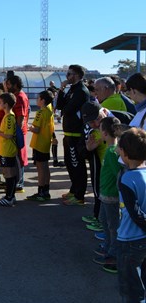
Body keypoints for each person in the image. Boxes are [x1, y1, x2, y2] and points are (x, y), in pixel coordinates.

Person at [116, 127, 146, 303]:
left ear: (125, 154)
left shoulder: (127, 178)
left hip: (129, 240)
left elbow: (135, 214)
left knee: (131, 293)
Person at [56, 64, 90, 206]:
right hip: (68, 133)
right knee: (70, 164)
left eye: (69, 74)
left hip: (76, 134)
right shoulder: (72, 89)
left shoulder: (81, 91)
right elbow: (59, 106)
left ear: (76, 75)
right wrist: (62, 89)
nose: (67, 76)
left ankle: (79, 195)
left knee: (77, 165)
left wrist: (64, 107)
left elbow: (68, 110)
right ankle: (74, 189)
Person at [94, 116, 123, 274]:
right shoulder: (111, 150)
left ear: (104, 133)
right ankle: (107, 247)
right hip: (105, 194)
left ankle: (113, 254)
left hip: (111, 196)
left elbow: (117, 174)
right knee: (105, 221)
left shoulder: (112, 152)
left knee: (112, 226)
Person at [26, 90, 55, 201]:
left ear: (42, 100)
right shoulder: (49, 110)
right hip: (46, 142)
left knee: (40, 168)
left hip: (39, 143)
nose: (36, 100)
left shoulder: (40, 112)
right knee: (45, 167)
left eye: (38, 98)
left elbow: (36, 129)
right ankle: (46, 190)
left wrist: (29, 127)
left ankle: (41, 192)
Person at [0, 92, 19, 207]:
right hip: (5, 149)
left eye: (1, 102)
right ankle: (10, 195)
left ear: (6, 104)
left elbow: (8, 135)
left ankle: (9, 197)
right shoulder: (7, 116)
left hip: (7, 150)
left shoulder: (9, 117)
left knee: (8, 173)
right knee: (9, 173)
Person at [6, 75, 29, 192]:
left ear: (15, 85)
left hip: (18, 133)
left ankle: (19, 183)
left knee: (18, 158)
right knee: (16, 158)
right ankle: (15, 181)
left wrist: (16, 133)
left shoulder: (19, 97)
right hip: (18, 131)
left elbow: (21, 117)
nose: (7, 86)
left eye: (9, 84)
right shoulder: (19, 95)